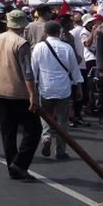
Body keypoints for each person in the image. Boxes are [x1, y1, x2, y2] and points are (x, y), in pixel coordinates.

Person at [0, 9, 42, 180]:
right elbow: (27, 72)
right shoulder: (21, 43)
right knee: (34, 130)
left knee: (8, 132)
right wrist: (33, 95)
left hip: (0, 90)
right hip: (18, 93)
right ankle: (19, 164)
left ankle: (13, 167)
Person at [30, 20, 82, 160]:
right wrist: (79, 87)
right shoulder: (66, 47)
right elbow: (75, 70)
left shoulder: (39, 47)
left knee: (45, 116)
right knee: (62, 121)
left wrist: (32, 90)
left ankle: (46, 137)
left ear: (45, 32)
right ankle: (60, 151)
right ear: (59, 32)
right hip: (63, 88)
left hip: (45, 87)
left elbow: (33, 70)